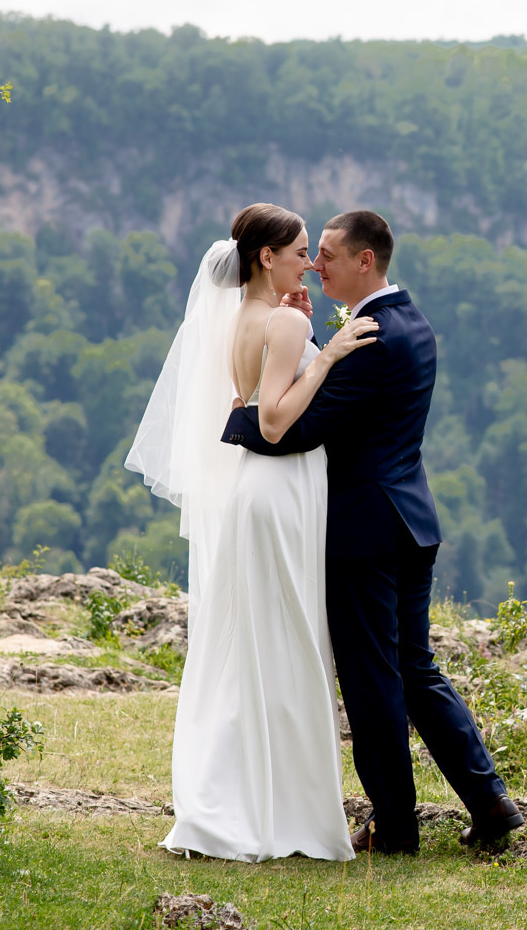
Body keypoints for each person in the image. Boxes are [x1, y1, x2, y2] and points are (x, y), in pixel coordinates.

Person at [222, 208, 524, 855]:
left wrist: (235, 419)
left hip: (365, 531)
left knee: (371, 678)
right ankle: (490, 799)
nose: (315, 263)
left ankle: (395, 823)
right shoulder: (410, 322)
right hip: (411, 517)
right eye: (312, 252)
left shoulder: (366, 338)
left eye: (327, 253)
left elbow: (294, 430)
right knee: (415, 669)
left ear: (366, 260)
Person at [124, 203, 377, 862]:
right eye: (300, 252)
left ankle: (246, 795)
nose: (311, 263)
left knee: (255, 642)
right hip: (283, 484)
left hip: (253, 490)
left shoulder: (245, 316)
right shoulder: (287, 319)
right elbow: (269, 421)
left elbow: (249, 397)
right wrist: (327, 357)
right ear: (267, 256)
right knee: (288, 641)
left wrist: (303, 338)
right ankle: (282, 810)